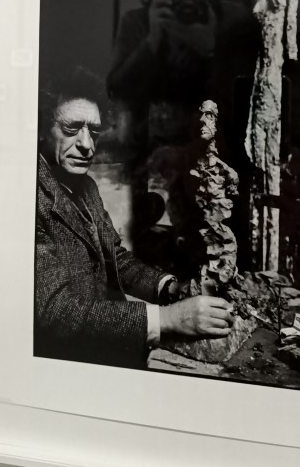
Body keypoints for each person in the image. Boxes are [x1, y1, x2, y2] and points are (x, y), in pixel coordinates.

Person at [35, 69, 234, 369]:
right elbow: (57, 313)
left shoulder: (86, 186)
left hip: (107, 348)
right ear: (42, 129)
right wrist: (169, 319)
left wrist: (168, 287)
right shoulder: (29, 198)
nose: (87, 144)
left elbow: (115, 257)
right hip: (68, 370)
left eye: (94, 131)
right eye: (72, 128)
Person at [106, 0, 225, 272]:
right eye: (172, 1)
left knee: (203, 256)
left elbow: (237, 97)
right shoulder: (137, 22)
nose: (183, 9)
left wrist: (210, 47)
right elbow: (117, 88)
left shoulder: (217, 23)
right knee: (144, 255)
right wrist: (152, 40)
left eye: (190, 0)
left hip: (203, 165)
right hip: (145, 163)